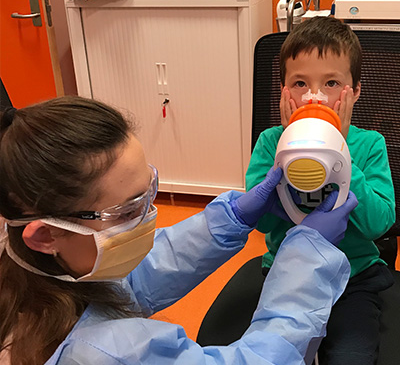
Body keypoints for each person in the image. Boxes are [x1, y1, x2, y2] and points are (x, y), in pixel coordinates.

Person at [0, 96, 358, 365]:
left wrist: (231, 218)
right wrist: (307, 259)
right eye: (127, 209)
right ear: (46, 235)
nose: (150, 215)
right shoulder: (109, 354)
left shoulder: (37, 282)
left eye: (149, 191)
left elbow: (133, 285)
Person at [197, 17, 395, 364]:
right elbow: (262, 224)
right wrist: (287, 155)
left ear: (356, 91)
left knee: (352, 355)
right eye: (300, 83)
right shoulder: (271, 142)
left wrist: (341, 151)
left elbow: (379, 224)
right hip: (286, 272)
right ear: (284, 92)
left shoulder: (369, 144)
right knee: (275, 353)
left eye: (331, 83)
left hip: (355, 276)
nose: (313, 96)